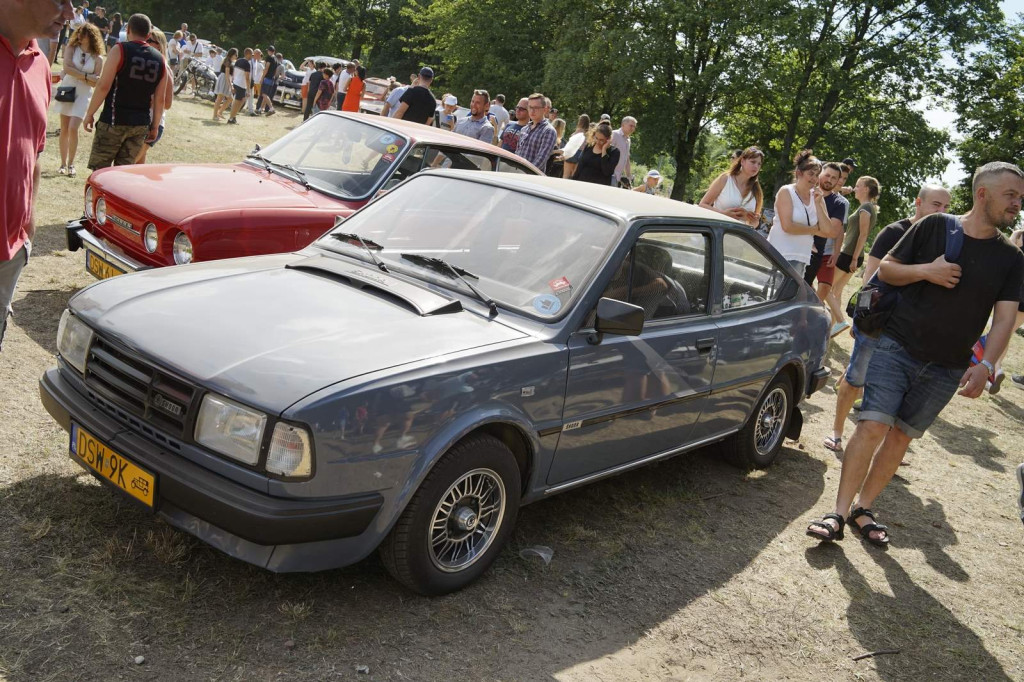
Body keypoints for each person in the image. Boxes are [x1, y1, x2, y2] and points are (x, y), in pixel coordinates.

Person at [808, 162, 1024, 546]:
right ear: (982, 194)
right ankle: (837, 513)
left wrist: (987, 364)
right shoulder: (935, 227)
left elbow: (1006, 318)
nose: (1017, 205)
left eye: (1020, 198)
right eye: (1011, 195)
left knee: (900, 438)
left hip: (948, 366)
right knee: (872, 425)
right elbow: (886, 271)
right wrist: (928, 271)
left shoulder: (1011, 258)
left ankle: (863, 508)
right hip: (897, 346)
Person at [823, 184, 952, 454]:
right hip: (879, 324)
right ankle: (836, 432)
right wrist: (862, 320)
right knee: (855, 377)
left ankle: (876, 449)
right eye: (935, 205)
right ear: (918, 202)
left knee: (893, 390)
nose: (941, 212)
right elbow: (873, 280)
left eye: (946, 207)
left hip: (912, 330)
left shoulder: (945, 241)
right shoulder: (894, 232)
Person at [1, 0, 70, 352]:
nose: (70, 13)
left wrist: (29, 217)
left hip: (9, 251)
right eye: (62, 1)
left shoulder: (40, 65)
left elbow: (36, 153)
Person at [83, 14, 167, 169]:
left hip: (114, 120)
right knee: (123, 173)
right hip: (140, 124)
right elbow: (160, 99)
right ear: (148, 35)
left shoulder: (120, 49)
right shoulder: (161, 60)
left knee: (100, 172)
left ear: (128, 29)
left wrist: (90, 113)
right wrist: (155, 126)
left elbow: (103, 86)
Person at [765, 150, 839, 278]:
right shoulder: (786, 191)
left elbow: (827, 231)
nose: (814, 179)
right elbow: (787, 227)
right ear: (799, 173)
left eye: (817, 175)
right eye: (811, 174)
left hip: (802, 257)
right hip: (780, 254)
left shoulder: (817, 196)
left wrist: (818, 204)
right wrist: (814, 230)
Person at [829, 176, 880, 336]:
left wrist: (853, 258)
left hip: (849, 254)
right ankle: (831, 328)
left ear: (866, 189)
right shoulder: (868, 207)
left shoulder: (865, 208)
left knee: (826, 288)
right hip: (852, 255)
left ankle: (839, 321)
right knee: (837, 291)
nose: (855, 188)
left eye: (858, 186)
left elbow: (863, 235)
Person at [54, 22, 104, 177]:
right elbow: (67, 68)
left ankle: (71, 164)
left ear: (91, 37)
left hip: (84, 94)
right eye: (79, 33)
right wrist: (86, 76)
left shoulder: (98, 58)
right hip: (67, 88)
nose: (80, 36)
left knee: (73, 127)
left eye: (84, 34)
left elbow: (97, 82)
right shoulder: (71, 48)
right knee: (64, 127)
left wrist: (82, 76)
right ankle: (63, 164)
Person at [806, 163, 851, 325]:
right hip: (802, 249)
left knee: (825, 288)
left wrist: (837, 252)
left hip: (826, 252)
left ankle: (811, 318)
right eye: (827, 175)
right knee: (803, 286)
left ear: (839, 181)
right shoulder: (806, 193)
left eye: (834, 178)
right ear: (820, 174)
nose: (829, 180)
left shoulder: (840, 203)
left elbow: (835, 231)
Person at [699, 146, 764, 227]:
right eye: (753, 162)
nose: (756, 167)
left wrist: (753, 221)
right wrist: (723, 214)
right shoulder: (725, 179)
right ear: (742, 161)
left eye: (759, 164)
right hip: (719, 231)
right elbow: (702, 205)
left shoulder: (756, 189)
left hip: (741, 236)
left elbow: (754, 224)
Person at [134, 28, 171, 164]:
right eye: (146, 39)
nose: (146, 42)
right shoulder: (147, 63)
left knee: (128, 163)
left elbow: (167, 103)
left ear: (159, 45)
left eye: (150, 40)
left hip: (152, 123)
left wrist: (149, 99)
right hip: (141, 120)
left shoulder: (164, 67)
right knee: (137, 165)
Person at [516, 93, 558, 171]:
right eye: (530, 107)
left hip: (531, 177)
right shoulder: (524, 129)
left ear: (545, 109)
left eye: (536, 108)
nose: (532, 111)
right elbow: (517, 153)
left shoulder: (548, 131)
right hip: (516, 173)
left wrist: (524, 173)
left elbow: (541, 159)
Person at [225, 47, 252, 124]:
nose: (252, 56)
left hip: (236, 82)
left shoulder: (238, 60)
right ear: (248, 54)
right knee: (237, 102)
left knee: (241, 101)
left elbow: (234, 73)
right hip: (241, 85)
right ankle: (231, 118)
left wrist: (233, 82)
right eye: (251, 55)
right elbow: (247, 78)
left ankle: (233, 117)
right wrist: (248, 90)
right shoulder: (247, 63)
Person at [610, 116, 636, 187]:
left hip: (617, 177)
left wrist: (629, 176)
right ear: (623, 125)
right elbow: (606, 152)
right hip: (609, 174)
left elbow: (627, 159)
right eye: (631, 125)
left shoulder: (628, 140)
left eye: (634, 127)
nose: (633, 128)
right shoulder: (614, 134)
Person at [212, 47, 236, 121]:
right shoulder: (227, 61)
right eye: (236, 55)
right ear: (232, 54)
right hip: (224, 79)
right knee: (219, 99)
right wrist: (230, 85)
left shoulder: (229, 61)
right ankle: (215, 115)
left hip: (227, 79)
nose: (236, 56)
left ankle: (219, 112)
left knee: (230, 98)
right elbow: (226, 74)